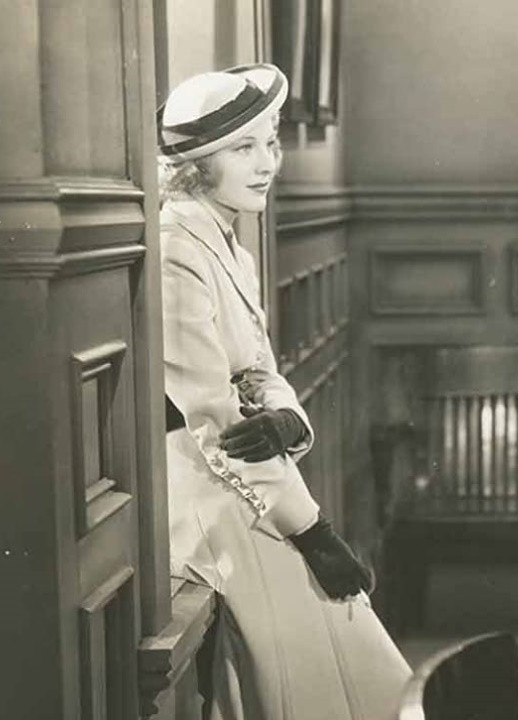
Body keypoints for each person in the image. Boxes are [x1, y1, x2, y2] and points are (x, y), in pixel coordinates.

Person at [158, 63, 411, 719]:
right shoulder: (175, 248)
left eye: (270, 142)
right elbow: (216, 421)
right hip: (203, 494)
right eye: (243, 148)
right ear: (195, 165)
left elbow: (261, 372)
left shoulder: (229, 246)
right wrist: (313, 530)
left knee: (357, 656)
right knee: (338, 659)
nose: (267, 163)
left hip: (246, 483)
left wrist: (290, 419)